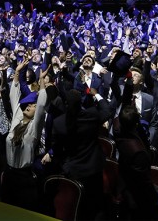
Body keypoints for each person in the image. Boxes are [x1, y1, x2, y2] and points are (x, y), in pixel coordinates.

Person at [50, 87, 112, 221]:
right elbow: (107, 111)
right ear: (80, 104)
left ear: (66, 104)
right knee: (95, 205)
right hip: (93, 168)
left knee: (77, 205)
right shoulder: (91, 115)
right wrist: (97, 95)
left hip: (73, 170)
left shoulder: (59, 123)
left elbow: (57, 149)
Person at [1, 57, 49, 211]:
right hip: (8, 175)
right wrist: (17, 72)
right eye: (29, 104)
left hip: (24, 178)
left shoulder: (35, 127)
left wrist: (41, 81)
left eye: (33, 106)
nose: (30, 106)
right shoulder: (17, 119)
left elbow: (41, 103)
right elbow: (14, 94)